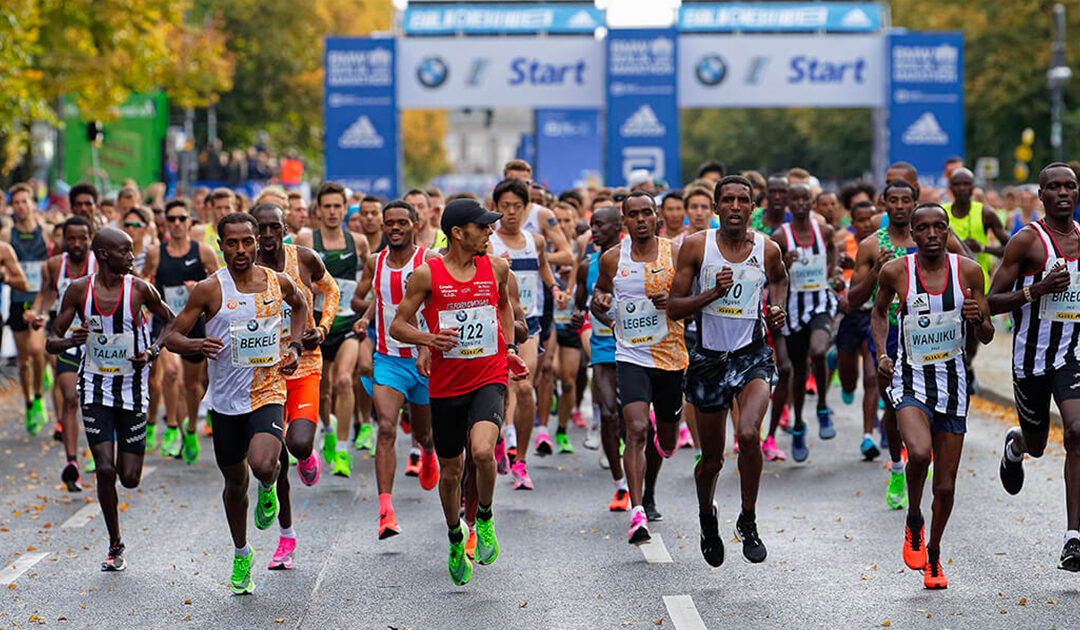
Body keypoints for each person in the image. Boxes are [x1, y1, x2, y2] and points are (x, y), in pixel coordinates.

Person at [164, 212, 308, 594]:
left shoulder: (277, 282)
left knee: (263, 464)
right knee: (233, 483)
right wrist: (196, 344)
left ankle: (269, 486)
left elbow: (301, 306)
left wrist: (293, 346)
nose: (241, 250)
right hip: (226, 400)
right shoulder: (210, 290)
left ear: (258, 241)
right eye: (232, 243)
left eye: (248, 241)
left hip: (268, 389)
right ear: (221, 245)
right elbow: (171, 335)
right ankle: (242, 553)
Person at [388, 198, 528, 586]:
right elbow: (398, 325)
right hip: (447, 385)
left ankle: (483, 516)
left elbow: (505, 308)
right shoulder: (427, 275)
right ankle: (454, 534)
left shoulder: (496, 267)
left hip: (489, 375)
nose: (490, 232)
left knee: (483, 452)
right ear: (458, 233)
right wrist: (428, 339)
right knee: (451, 471)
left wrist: (511, 348)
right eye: (482, 227)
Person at [668, 174, 789, 565]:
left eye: (743, 200)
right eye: (728, 201)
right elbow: (674, 307)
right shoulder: (695, 247)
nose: (735, 207)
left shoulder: (767, 249)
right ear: (716, 207)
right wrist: (713, 294)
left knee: (750, 434)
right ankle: (707, 517)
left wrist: (776, 308)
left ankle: (748, 519)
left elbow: (781, 280)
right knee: (713, 460)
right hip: (708, 360)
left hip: (752, 355)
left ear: (752, 208)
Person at [872, 203, 994, 589]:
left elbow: (988, 332)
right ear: (911, 233)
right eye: (922, 228)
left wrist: (977, 319)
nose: (931, 234)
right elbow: (877, 314)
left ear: (947, 231)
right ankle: (913, 517)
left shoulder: (969, 272)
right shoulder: (895, 271)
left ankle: (935, 554)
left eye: (938, 227)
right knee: (920, 454)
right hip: (910, 381)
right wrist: (883, 353)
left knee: (945, 486)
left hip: (954, 384)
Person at [46, 227, 173, 572]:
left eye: (132, 252)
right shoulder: (78, 291)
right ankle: (115, 543)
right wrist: (73, 341)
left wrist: (151, 351)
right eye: (126, 252)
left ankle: (119, 484)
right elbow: (51, 340)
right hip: (94, 389)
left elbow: (171, 323)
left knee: (129, 477)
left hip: (132, 392)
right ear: (104, 255)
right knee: (104, 468)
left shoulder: (141, 290)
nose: (132, 258)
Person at [849, 179, 969, 510]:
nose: (899, 206)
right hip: (891, 331)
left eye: (906, 200)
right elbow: (852, 299)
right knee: (892, 404)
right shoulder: (872, 244)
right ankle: (899, 466)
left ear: (914, 202)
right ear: (884, 205)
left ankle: (919, 451)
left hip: (939, 335)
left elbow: (969, 269)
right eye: (893, 200)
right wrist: (875, 271)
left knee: (927, 408)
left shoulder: (936, 233)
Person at [988, 162, 1080, 573]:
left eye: (1070, 186)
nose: (1063, 193)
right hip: (1031, 359)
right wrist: (1037, 289)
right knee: (1039, 443)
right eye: (1054, 187)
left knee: (1077, 431)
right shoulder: (1027, 241)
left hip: (1073, 355)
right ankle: (1016, 445)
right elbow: (991, 301)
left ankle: (1073, 538)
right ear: (1041, 196)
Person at [592, 192, 688, 545]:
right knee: (634, 428)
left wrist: (674, 302)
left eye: (647, 212)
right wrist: (604, 308)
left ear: (657, 216)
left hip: (671, 357)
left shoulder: (676, 253)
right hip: (631, 355)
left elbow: (694, 298)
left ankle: (649, 490)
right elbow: (598, 299)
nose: (641, 219)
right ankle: (637, 511)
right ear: (625, 221)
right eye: (634, 214)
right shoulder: (612, 259)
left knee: (665, 439)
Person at [251, 202, 339, 569]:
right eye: (261, 229)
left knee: (298, 442)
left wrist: (321, 328)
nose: (268, 236)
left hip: (303, 366)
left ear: (285, 227)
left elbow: (330, 291)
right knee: (273, 463)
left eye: (275, 228)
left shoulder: (304, 259)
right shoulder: (243, 269)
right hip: (262, 374)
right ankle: (286, 536)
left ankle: (308, 454)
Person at [350, 200, 441, 539]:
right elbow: (371, 297)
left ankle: (428, 453)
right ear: (383, 227)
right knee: (386, 428)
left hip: (425, 360)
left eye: (403, 222)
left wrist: (427, 344)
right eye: (390, 223)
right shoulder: (374, 262)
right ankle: (386, 512)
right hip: (388, 359)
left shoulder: (429, 260)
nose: (395, 227)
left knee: (424, 434)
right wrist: (365, 317)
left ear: (416, 225)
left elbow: (439, 303)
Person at [142, 199, 220, 461]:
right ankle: (172, 427)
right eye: (171, 218)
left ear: (189, 222)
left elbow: (220, 283)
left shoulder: (203, 251)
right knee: (171, 373)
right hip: (165, 324)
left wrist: (199, 288)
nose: (176, 223)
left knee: (191, 384)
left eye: (181, 218)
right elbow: (144, 282)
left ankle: (189, 430)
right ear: (165, 222)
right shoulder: (156, 253)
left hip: (194, 326)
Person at [296, 182, 364, 476]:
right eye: (328, 206)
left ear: (345, 208)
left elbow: (367, 281)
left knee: (344, 381)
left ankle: (343, 453)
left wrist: (365, 311)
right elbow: (295, 278)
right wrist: (312, 286)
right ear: (318, 210)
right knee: (323, 393)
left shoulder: (357, 241)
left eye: (338, 206)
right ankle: (327, 428)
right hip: (315, 328)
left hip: (346, 323)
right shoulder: (306, 237)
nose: (333, 212)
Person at [24, 216, 96, 490]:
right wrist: (37, 314)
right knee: (69, 397)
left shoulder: (99, 264)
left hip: (98, 346)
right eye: (72, 238)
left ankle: (100, 451)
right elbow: (46, 297)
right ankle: (71, 463)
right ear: (64, 239)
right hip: (66, 341)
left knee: (94, 402)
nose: (77, 244)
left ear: (90, 238)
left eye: (83, 238)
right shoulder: (54, 265)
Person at [771, 183, 839, 461]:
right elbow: (773, 273)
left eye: (805, 198)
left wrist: (834, 271)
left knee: (819, 350)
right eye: (795, 198)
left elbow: (832, 254)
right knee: (798, 371)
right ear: (788, 203)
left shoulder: (824, 232)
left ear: (811, 202)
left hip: (820, 303)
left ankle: (822, 406)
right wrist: (784, 263)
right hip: (793, 309)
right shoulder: (781, 235)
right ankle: (799, 423)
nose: (800, 203)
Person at [574, 207, 627, 509]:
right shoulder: (587, 265)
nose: (593, 230)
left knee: (631, 419)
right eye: (592, 224)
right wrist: (578, 316)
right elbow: (580, 304)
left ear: (618, 227)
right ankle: (620, 485)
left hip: (636, 348)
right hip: (604, 347)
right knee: (608, 412)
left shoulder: (634, 261)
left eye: (600, 224)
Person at [834, 201, 882, 460]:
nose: (866, 224)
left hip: (874, 315)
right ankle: (843, 373)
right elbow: (831, 274)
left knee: (872, 377)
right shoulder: (845, 246)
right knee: (850, 379)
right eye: (861, 220)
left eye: (870, 219)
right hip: (850, 315)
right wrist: (836, 280)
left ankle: (867, 437)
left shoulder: (884, 245)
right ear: (852, 223)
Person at [8, 182, 50, 434]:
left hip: (41, 299)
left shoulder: (44, 232)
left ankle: (38, 394)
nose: (21, 207)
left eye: (25, 201)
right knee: (23, 361)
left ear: (33, 204)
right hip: (16, 300)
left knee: (37, 350)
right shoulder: (6, 236)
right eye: (17, 203)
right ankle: (29, 403)